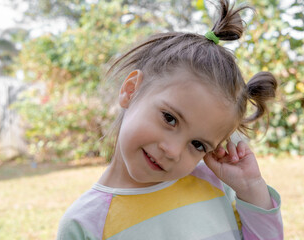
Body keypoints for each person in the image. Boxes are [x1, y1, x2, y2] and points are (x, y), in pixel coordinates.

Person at [56, 0, 283, 239]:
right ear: (131, 90)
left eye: (198, 145)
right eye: (170, 119)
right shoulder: (84, 224)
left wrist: (251, 189)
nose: (173, 152)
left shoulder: (215, 185)